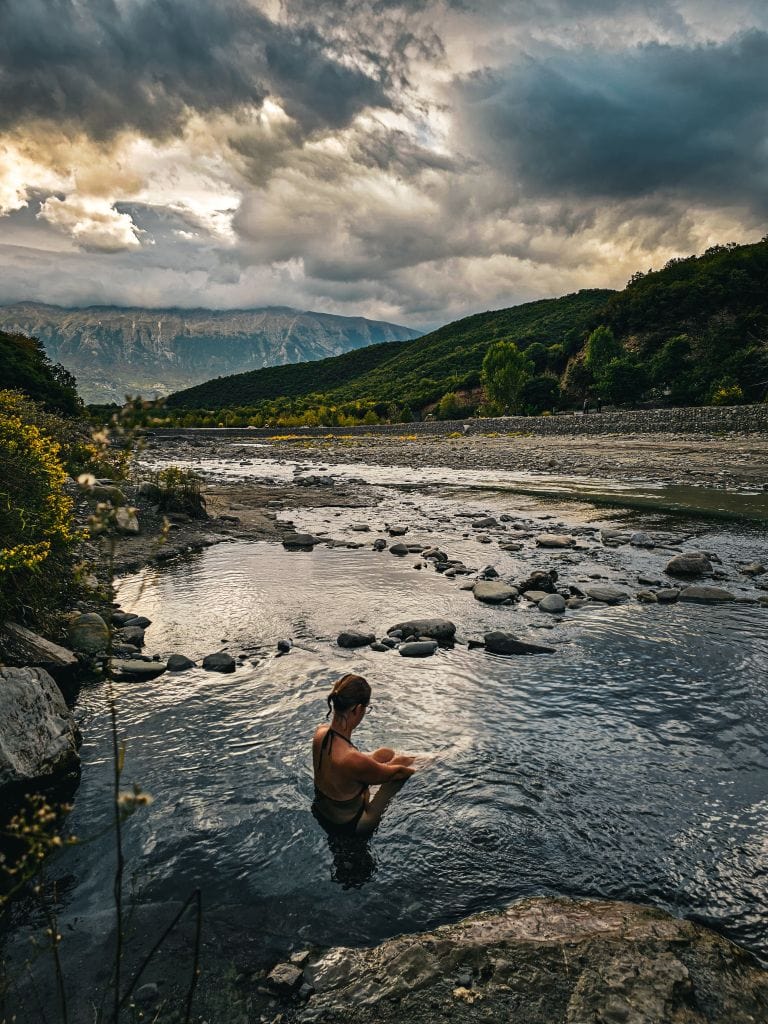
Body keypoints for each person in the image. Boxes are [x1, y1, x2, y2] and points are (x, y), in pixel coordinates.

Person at [312, 673, 416, 836]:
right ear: (358, 709)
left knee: (384, 753)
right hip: (350, 824)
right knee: (403, 765)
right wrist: (420, 769)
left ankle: (379, 770)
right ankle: (440, 756)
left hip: (322, 810)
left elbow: (345, 764)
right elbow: (399, 772)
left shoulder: (320, 733)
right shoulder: (351, 758)